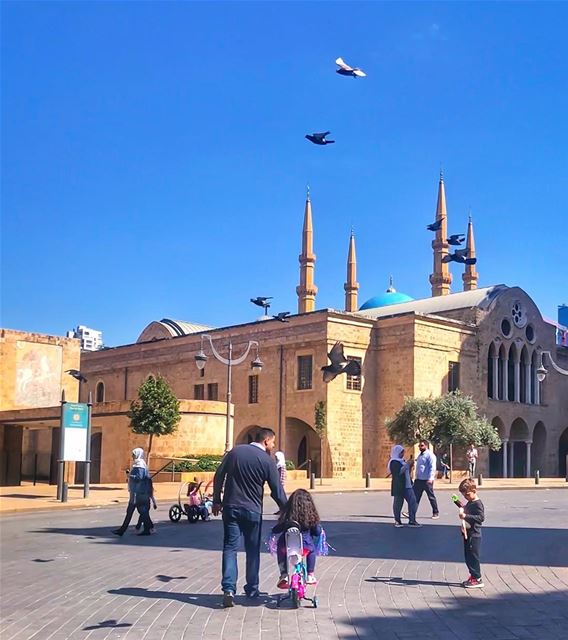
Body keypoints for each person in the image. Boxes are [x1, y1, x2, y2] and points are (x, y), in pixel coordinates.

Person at [213, 427, 287, 608]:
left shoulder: (235, 452)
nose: (273, 445)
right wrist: (287, 510)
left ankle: (228, 589)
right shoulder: (267, 461)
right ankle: (252, 588)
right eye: (273, 442)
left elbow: (219, 475)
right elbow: (277, 491)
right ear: (266, 441)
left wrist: (216, 500)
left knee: (230, 548)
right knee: (252, 550)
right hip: (253, 511)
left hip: (231, 507)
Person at [271, 488, 322, 588]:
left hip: (286, 545)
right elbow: (317, 532)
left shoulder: (287, 516)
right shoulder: (310, 517)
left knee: (281, 551)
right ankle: (310, 574)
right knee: (312, 550)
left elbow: (276, 530)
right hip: (305, 546)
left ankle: (284, 574)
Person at [112, 448, 153, 537]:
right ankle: (123, 530)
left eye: (134, 454)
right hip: (137, 492)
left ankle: (146, 529)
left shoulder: (139, 466)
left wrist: (129, 475)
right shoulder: (140, 465)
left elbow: (139, 478)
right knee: (137, 512)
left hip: (138, 494)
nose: (132, 456)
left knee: (139, 512)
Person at [457, 478, 485, 588]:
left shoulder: (478, 504)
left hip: (474, 534)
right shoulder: (470, 502)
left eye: (468, 495)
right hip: (467, 533)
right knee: (468, 556)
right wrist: (459, 504)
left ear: (474, 491)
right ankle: (473, 575)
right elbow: (466, 508)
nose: (466, 497)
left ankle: (477, 578)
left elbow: (481, 518)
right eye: (464, 496)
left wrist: (465, 516)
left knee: (473, 557)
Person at [388, 444, 420, 528]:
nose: (403, 454)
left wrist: (410, 466)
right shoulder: (393, 462)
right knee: (398, 503)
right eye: (402, 452)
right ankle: (397, 521)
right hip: (399, 485)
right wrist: (407, 465)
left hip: (407, 485)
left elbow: (406, 472)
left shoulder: (402, 461)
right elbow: (397, 473)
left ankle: (412, 520)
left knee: (413, 501)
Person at [413, 440, 439, 519]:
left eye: (422, 446)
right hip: (419, 480)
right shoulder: (419, 455)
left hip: (427, 480)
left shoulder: (430, 455)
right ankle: (412, 511)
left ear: (426, 446)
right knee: (415, 497)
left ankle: (435, 512)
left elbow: (432, 467)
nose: (420, 447)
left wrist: (431, 478)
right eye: (419, 446)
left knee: (431, 497)